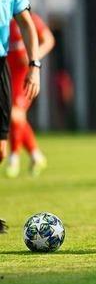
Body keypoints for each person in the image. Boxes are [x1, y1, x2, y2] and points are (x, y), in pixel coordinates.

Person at [5, 12, 55, 178]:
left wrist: (34, 57)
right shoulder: (4, 22)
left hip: (25, 78)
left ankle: (14, 158)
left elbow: (49, 40)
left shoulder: (29, 19)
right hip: (7, 78)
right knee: (16, 118)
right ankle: (36, 155)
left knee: (15, 115)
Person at [0, 0, 40, 165]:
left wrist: (35, 65)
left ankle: (30, 154)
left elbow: (29, 26)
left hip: (6, 71)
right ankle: (29, 155)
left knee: (1, 149)